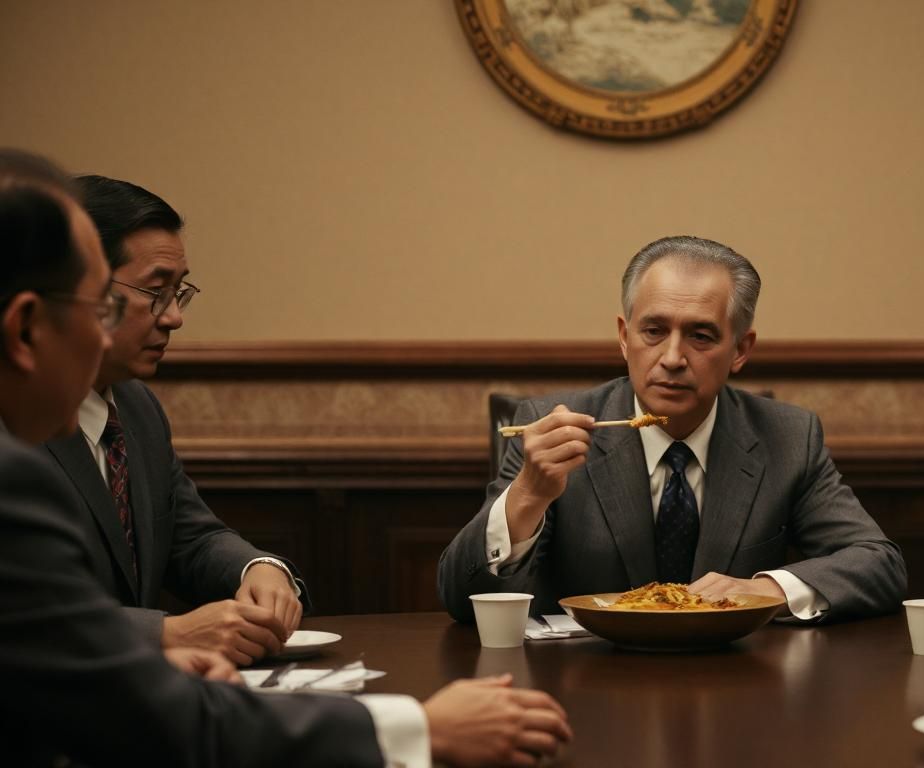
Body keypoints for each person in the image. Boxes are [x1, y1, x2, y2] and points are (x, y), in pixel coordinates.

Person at [0, 149, 570, 767]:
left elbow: (173, 550)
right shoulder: (12, 476)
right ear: (26, 327)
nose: (175, 319)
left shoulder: (133, 409)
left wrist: (251, 574)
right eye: (101, 308)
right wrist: (420, 728)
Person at [438, 235, 906, 621]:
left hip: (739, 692)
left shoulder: (788, 437)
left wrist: (765, 588)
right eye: (653, 331)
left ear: (741, 349)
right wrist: (527, 494)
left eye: (701, 336)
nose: (673, 358)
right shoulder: (548, 427)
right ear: (624, 337)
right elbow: (460, 598)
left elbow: (879, 564)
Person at [41, 175, 303, 664]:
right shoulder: (17, 420)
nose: (173, 318)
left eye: (178, 294)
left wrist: (259, 568)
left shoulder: (137, 408)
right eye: (155, 292)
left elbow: (192, 537)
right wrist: (163, 633)